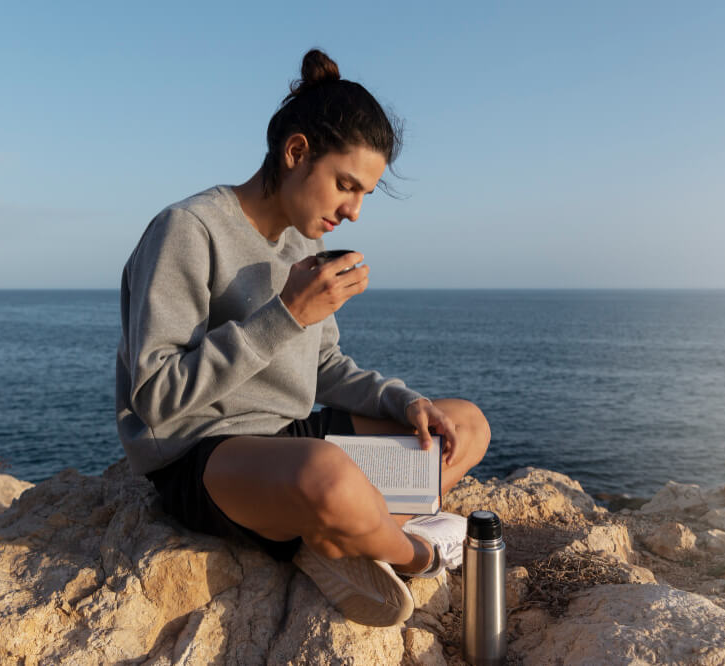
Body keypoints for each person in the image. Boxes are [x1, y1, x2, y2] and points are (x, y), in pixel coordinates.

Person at [116, 49, 490, 627]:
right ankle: (415, 553)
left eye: (365, 193)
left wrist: (405, 403)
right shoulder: (187, 230)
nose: (355, 211)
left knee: (463, 423)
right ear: (296, 153)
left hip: (287, 435)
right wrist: (287, 312)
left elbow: (326, 366)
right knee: (326, 475)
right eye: (346, 185)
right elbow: (155, 397)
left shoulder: (303, 243)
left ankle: (336, 532)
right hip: (204, 454)